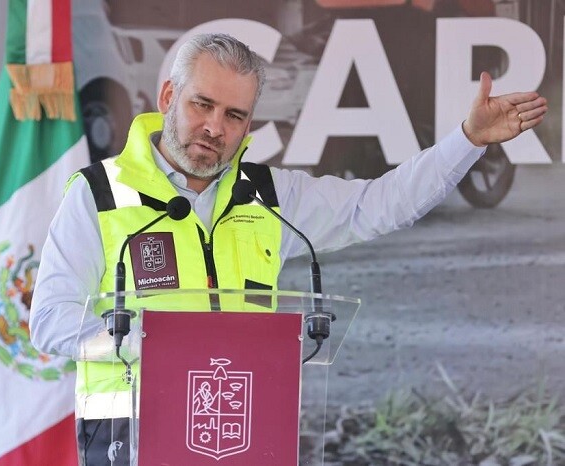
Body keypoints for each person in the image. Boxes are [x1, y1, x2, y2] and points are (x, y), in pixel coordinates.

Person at [29, 33, 547, 465]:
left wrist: (468, 141)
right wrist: (160, 348)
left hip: (245, 428)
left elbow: (380, 204)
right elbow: (50, 320)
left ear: (248, 125)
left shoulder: (269, 197)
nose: (214, 127)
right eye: (201, 104)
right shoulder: (100, 194)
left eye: (234, 115)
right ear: (168, 98)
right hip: (131, 433)